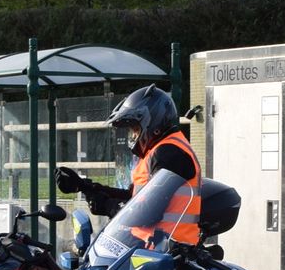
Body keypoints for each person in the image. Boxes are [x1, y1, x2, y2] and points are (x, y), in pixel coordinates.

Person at [56, 85, 202, 245]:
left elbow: (148, 212)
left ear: (153, 124)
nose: (132, 136)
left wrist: (107, 205)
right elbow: (133, 197)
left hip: (169, 251)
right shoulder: (158, 151)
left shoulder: (170, 153)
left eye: (135, 129)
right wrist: (86, 187)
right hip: (152, 248)